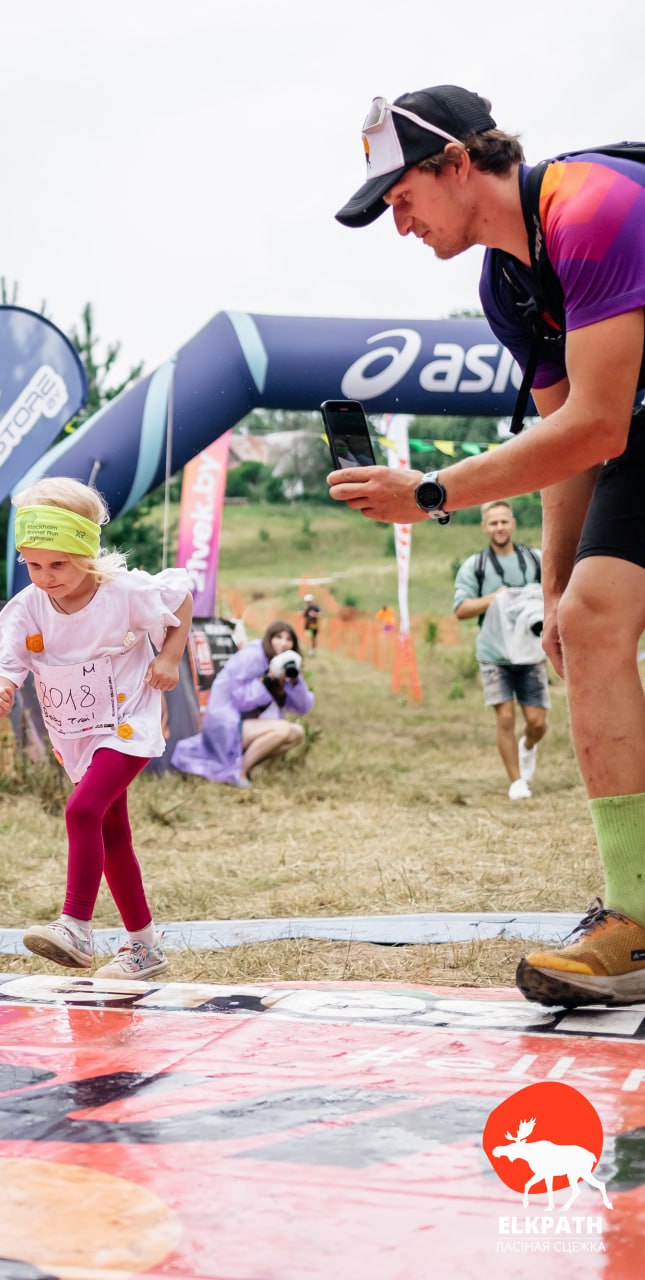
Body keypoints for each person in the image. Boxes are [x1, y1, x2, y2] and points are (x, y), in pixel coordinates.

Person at [329, 85, 645, 1008]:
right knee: (590, 621)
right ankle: (634, 925)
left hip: (623, 423)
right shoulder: (506, 281)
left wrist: (428, 492)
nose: (400, 226)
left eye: (402, 199)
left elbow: (592, 427)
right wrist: (552, 589)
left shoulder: (594, 207)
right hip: (635, 426)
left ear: (458, 164)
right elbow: (565, 446)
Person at [0, 477, 193, 980]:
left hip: (127, 722)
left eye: (58, 564)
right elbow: (7, 658)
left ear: (86, 554)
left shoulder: (125, 593)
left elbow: (180, 597)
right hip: (74, 732)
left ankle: (75, 925)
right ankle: (144, 947)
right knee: (113, 832)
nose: (45, 577)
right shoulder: (29, 604)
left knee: (83, 809)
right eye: (33, 564)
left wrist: (171, 656)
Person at [453, 500, 547, 800]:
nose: (499, 527)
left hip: (531, 652)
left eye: (504, 521)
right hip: (494, 654)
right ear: (484, 527)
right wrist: (495, 598)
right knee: (505, 717)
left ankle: (528, 746)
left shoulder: (535, 559)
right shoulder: (475, 566)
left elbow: (557, 592)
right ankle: (516, 782)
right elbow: (461, 608)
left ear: (513, 523)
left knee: (537, 722)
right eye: (493, 523)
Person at [170, 620, 314, 787]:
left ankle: (248, 767)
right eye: (278, 637)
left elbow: (302, 707)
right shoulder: (253, 656)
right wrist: (268, 680)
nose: (283, 643)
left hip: (251, 724)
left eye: (289, 639)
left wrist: (295, 680)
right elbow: (241, 700)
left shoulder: (284, 664)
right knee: (282, 729)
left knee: (296, 732)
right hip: (227, 724)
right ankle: (239, 772)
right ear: (269, 638)